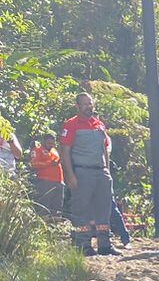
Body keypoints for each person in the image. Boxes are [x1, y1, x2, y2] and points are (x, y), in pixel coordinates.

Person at [59, 91, 117, 256]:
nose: (88, 107)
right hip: (82, 172)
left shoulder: (99, 125)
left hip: (101, 173)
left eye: (90, 103)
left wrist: (107, 171)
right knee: (81, 210)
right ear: (77, 106)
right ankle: (83, 244)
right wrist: (70, 175)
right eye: (84, 104)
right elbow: (65, 151)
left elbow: (105, 148)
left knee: (104, 210)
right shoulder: (71, 125)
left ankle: (105, 245)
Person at [29, 133, 65, 216]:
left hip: (59, 182)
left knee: (58, 208)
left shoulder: (54, 151)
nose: (51, 145)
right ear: (43, 142)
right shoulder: (37, 150)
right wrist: (49, 163)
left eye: (52, 143)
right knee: (44, 207)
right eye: (49, 143)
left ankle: (56, 225)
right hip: (45, 181)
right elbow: (33, 164)